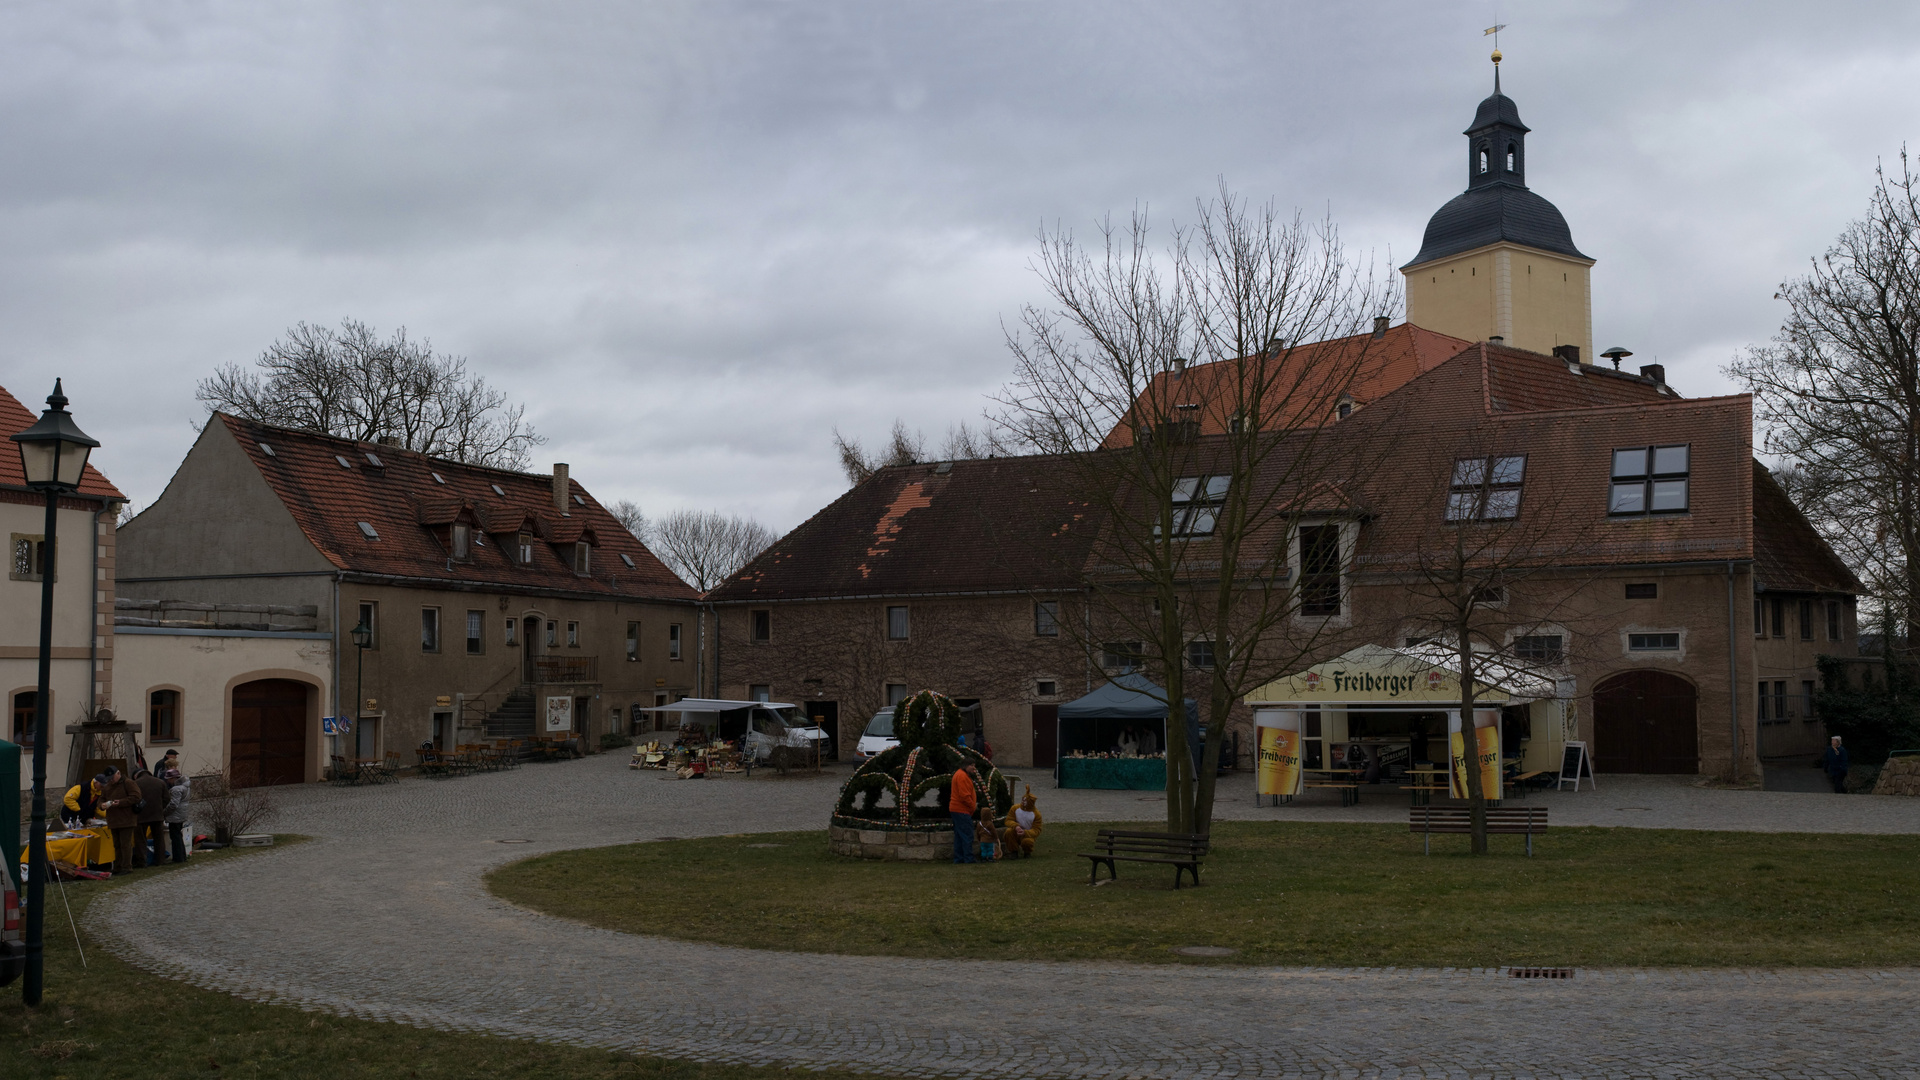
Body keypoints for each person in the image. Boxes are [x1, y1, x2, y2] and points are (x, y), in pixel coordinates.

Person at [95, 767, 144, 873]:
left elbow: (136, 797)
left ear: (118, 773)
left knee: (125, 844)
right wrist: (101, 805)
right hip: (113, 819)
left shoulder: (128, 783)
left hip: (127, 819)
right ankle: (117, 866)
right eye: (109, 778)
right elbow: (101, 798)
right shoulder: (108, 786)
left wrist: (121, 802)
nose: (111, 780)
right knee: (116, 844)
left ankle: (126, 867)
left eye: (112, 778)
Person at [134, 768, 169, 866]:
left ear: (137, 775)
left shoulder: (135, 783)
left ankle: (142, 861)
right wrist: (160, 808)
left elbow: (133, 799)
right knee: (159, 838)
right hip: (157, 815)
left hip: (141, 816)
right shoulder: (160, 782)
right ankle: (160, 860)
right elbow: (167, 798)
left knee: (141, 839)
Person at [1001, 785, 1043, 858]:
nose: (1023, 802)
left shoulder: (1036, 814)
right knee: (1008, 832)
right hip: (1016, 831)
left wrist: (1025, 832)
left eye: (1025, 801)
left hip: (1027, 834)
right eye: (1022, 800)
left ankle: (1027, 852)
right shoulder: (1015, 808)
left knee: (1027, 842)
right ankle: (1013, 852)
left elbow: (1037, 830)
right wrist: (1016, 826)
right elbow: (1008, 820)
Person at [949, 765, 978, 864]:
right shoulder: (962, 776)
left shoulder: (959, 774)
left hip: (956, 809)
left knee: (959, 835)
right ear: (966, 766)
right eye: (972, 767)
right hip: (962, 810)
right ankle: (968, 858)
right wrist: (972, 806)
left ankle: (959, 858)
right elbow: (964, 795)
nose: (974, 770)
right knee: (967, 835)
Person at [163, 768, 191, 864]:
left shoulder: (176, 789)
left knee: (175, 837)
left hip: (175, 816)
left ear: (174, 778)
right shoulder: (186, 787)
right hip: (181, 814)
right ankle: (182, 856)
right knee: (178, 836)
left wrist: (165, 812)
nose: (168, 781)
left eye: (169, 779)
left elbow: (173, 804)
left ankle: (178, 858)